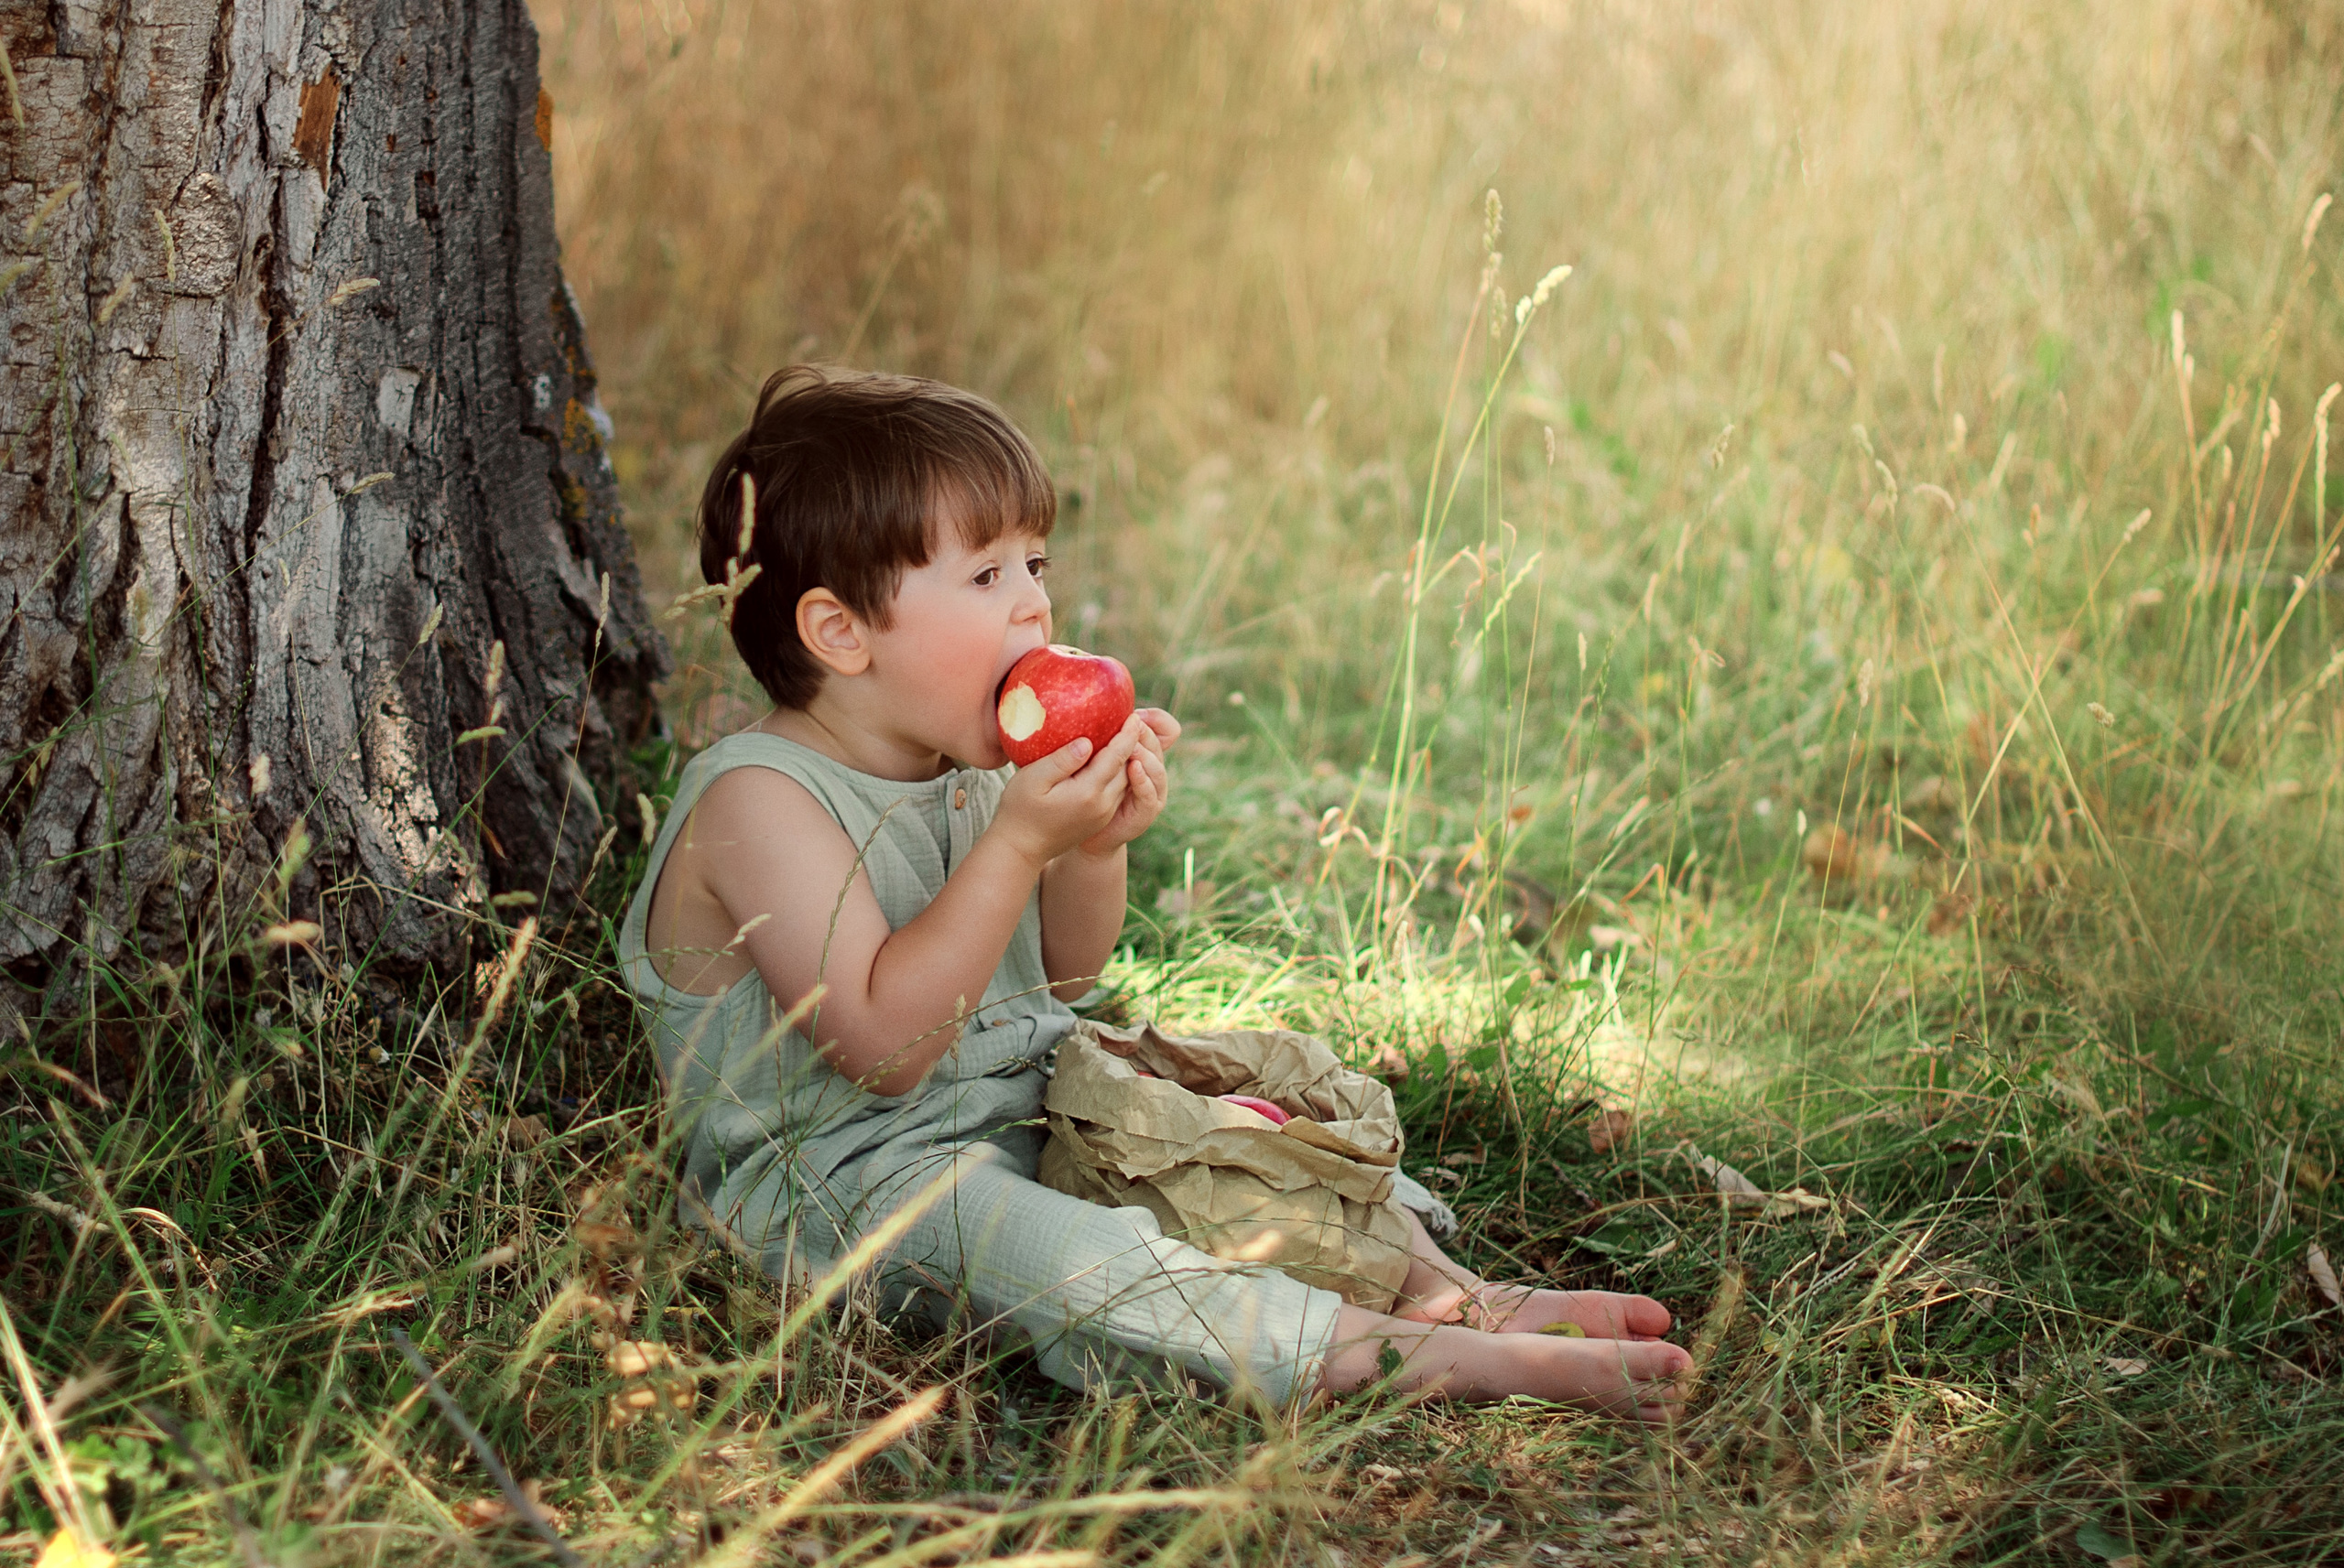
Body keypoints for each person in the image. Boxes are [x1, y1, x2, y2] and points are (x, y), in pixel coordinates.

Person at [619, 365, 1693, 1420]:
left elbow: (1071, 979)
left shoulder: (975, 762)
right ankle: (1415, 1358)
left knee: (1215, 1128)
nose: (1035, 605)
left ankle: (1460, 1295)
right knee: (1086, 1259)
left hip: (1018, 1107)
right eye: (985, 577)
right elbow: (886, 1053)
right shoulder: (760, 802)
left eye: (1033, 563)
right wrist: (1015, 846)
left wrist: (1090, 847)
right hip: (845, 1182)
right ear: (839, 632)